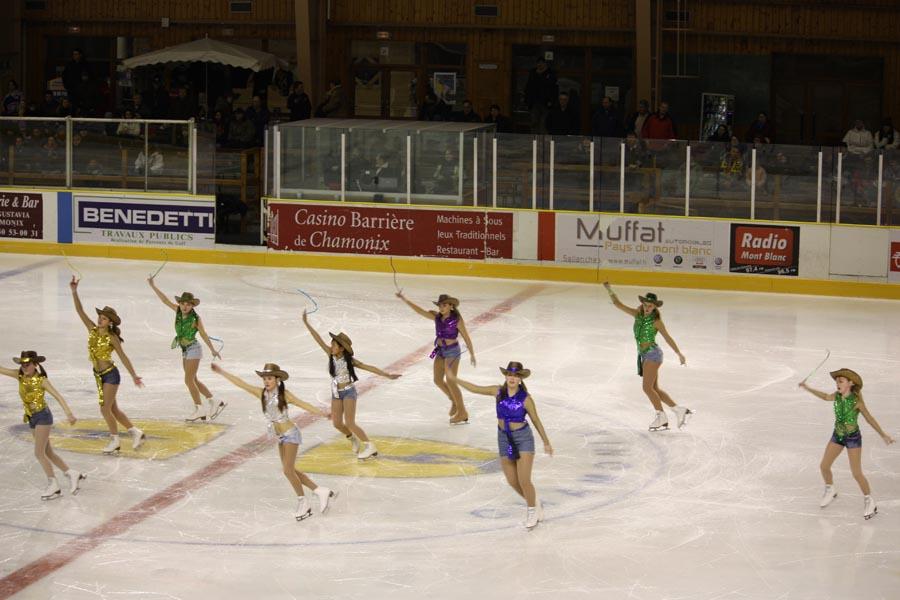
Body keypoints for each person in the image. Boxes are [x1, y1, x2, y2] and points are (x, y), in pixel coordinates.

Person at [210, 362, 336, 520]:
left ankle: (303, 503)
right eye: (264, 379)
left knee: (287, 471)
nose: (266, 381)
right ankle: (320, 491)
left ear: (277, 379)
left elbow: (304, 404)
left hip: (291, 434)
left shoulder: (285, 395)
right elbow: (241, 384)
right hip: (281, 437)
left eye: (269, 378)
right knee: (291, 470)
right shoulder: (261, 394)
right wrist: (222, 372)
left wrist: (323, 414)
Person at [448, 361, 552, 529]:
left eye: (515, 375)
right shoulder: (497, 391)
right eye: (509, 374)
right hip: (503, 438)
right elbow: (475, 388)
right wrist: (455, 380)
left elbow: (536, 420)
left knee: (524, 480)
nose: (512, 378)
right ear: (506, 376)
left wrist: (546, 442)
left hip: (523, 439)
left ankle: (532, 510)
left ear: (520, 379)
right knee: (512, 480)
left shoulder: (526, 399)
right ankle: (535, 502)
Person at [300, 310, 401, 460]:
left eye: (334, 345)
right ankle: (352, 438)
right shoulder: (330, 355)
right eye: (331, 344)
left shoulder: (350, 361)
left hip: (348, 392)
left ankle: (370, 446)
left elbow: (368, 367)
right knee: (337, 423)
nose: (331, 346)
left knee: (350, 423)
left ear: (342, 348)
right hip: (336, 392)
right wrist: (306, 323)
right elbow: (318, 339)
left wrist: (387, 375)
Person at [798, 369, 894, 519]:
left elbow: (869, 419)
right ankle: (830, 489)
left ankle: (869, 500)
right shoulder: (836, 396)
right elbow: (825, 396)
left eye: (841, 381)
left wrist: (883, 434)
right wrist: (807, 388)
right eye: (837, 381)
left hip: (852, 438)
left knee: (856, 473)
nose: (837, 383)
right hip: (838, 436)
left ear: (850, 383)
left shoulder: (856, 402)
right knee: (824, 466)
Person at [69, 276, 145, 453]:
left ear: (110, 322)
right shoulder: (92, 329)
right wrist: (74, 291)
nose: (99, 320)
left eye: (103, 318)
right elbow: (80, 310)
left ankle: (115, 440)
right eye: (100, 317)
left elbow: (123, 357)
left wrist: (134, 375)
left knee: (104, 409)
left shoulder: (112, 337)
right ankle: (136, 432)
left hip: (111, 375)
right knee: (113, 410)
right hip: (99, 375)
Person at [603, 283, 691, 431]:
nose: (647, 308)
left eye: (650, 306)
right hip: (645, 355)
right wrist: (609, 289)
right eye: (645, 305)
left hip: (653, 355)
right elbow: (618, 304)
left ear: (655, 307)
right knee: (655, 388)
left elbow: (667, 337)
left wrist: (679, 353)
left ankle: (661, 417)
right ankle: (679, 410)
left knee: (647, 388)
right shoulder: (637, 315)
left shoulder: (656, 322)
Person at [0, 351, 85, 500]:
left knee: (39, 453)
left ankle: (54, 485)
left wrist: (69, 413)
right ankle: (72, 473)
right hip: (32, 418)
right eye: (22, 364)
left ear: (35, 364)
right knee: (48, 452)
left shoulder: (42, 380)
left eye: (27, 364)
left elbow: (58, 396)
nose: (24, 367)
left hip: (43, 417)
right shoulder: (19, 375)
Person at [148, 276, 226, 422]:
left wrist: (212, 349)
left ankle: (199, 409)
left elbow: (203, 334)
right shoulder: (178, 311)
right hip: (185, 350)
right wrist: (153, 286)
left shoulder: (195, 319)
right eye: (183, 303)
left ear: (192, 306)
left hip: (194, 349)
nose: (185, 307)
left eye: (188, 304)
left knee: (188, 380)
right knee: (194, 380)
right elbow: (164, 300)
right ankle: (213, 400)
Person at [395, 292, 476, 424]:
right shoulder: (437, 317)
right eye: (440, 305)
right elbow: (420, 311)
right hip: (440, 351)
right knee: (437, 380)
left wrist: (472, 354)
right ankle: (453, 400)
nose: (441, 308)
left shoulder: (457, 320)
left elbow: (466, 337)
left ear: (451, 306)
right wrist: (404, 299)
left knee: (451, 381)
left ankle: (462, 412)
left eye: (444, 305)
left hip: (452, 352)